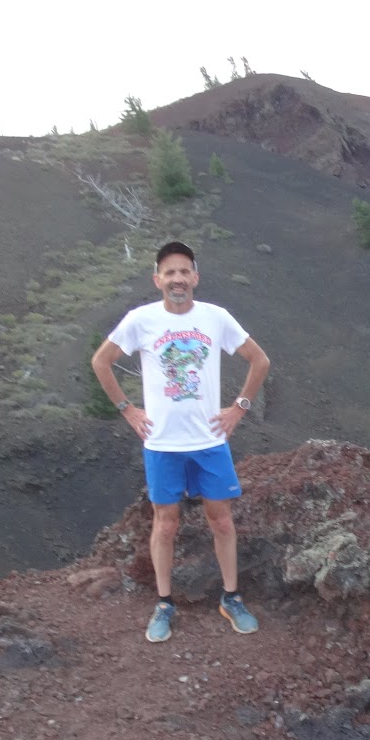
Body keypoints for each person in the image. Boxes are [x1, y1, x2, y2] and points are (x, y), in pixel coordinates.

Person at [91, 241, 271, 642]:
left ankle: (230, 597)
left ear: (195, 277)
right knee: (166, 525)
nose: (177, 279)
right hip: (162, 444)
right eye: (169, 272)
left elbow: (260, 361)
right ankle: (164, 603)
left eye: (184, 271)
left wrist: (239, 408)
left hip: (209, 440)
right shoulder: (141, 321)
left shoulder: (216, 318)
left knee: (221, 520)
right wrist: (127, 409)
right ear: (157, 280)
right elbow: (100, 361)